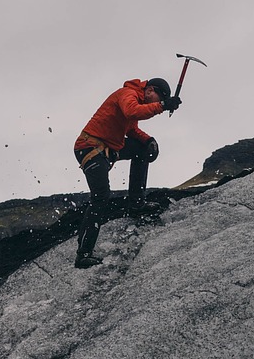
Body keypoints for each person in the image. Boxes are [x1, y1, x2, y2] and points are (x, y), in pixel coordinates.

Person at [72, 77, 182, 268]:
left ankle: (137, 204)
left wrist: (149, 141)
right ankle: (83, 254)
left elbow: (131, 129)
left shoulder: (136, 98)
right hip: (89, 148)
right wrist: (163, 106)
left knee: (142, 149)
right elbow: (132, 111)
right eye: (158, 98)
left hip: (106, 148)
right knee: (101, 197)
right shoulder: (128, 94)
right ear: (150, 90)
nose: (156, 103)